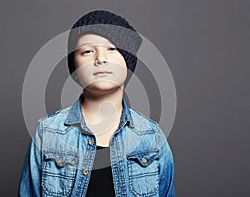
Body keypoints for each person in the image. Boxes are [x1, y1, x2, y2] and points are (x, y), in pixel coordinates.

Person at [19, 10, 175, 197]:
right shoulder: (47, 133)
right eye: (87, 51)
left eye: (112, 49)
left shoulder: (151, 137)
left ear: (127, 62)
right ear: (75, 67)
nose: (100, 59)